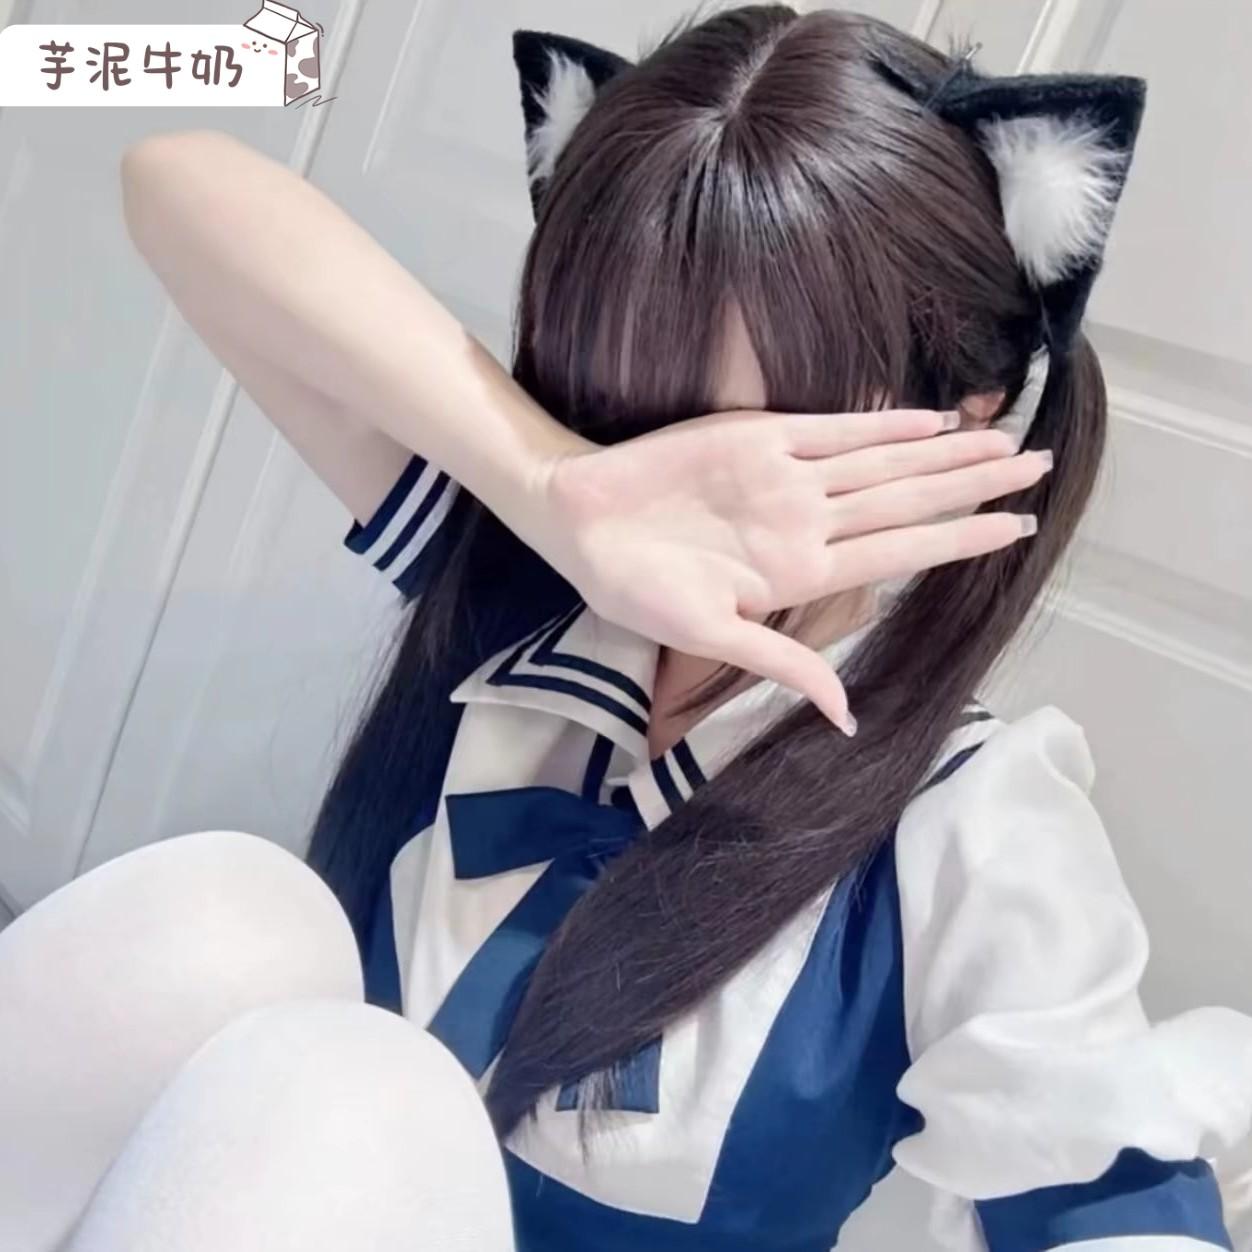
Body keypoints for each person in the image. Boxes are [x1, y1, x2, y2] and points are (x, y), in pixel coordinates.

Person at [2, 6, 1249, 1251]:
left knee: (350, 1085)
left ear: (966, 420)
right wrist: (551, 482)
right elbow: (176, 183)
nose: (682, 489)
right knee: (233, 919)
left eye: (762, 435)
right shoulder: (534, 586)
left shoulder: (971, 823)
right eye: (627, 413)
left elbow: (1114, 1207)